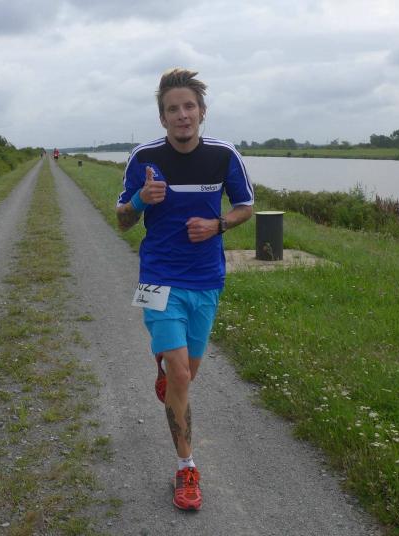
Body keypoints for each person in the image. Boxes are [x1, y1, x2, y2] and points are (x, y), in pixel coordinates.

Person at [116, 68, 254, 510]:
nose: (182, 115)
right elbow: (122, 219)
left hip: (206, 279)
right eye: (172, 109)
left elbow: (246, 206)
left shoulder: (223, 155)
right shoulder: (143, 158)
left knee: (186, 376)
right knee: (180, 376)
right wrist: (141, 200)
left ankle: (168, 373)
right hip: (158, 277)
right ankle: (186, 467)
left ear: (202, 112)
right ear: (162, 117)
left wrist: (218, 225)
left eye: (189, 106)